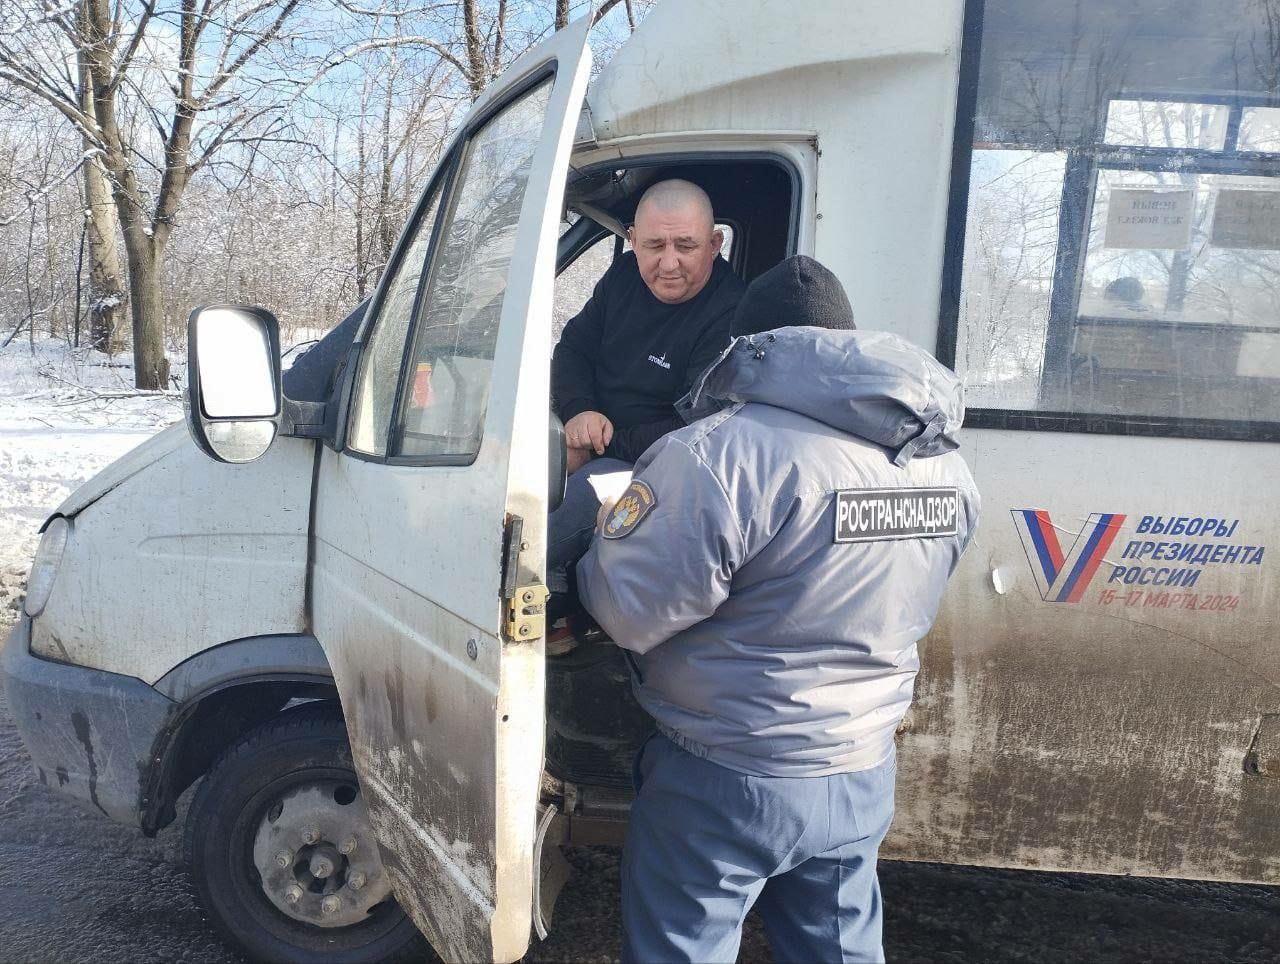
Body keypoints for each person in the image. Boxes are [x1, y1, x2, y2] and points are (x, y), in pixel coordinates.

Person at [576, 256, 980, 963]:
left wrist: (592, 559)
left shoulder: (716, 455)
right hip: (861, 766)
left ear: (745, 346)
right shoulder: (938, 459)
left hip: (727, 774)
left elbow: (632, 611)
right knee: (837, 948)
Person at [546, 178, 745, 604]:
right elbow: (572, 349)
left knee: (555, 518)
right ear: (633, 241)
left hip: (658, 464)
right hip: (590, 434)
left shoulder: (731, 313)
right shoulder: (621, 277)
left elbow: (694, 431)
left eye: (685, 246)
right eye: (655, 246)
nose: (668, 264)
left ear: (714, 243)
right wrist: (579, 411)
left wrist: (595, 445)